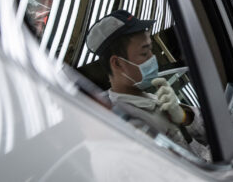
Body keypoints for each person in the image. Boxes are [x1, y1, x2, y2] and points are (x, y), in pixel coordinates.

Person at [86, 10, 209, 160]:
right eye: (144, 53)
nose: (153, 58)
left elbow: (211, 132)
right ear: (118, 63)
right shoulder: (122, 124)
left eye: (151, 49)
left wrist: (185, 117)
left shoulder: (150, 97)